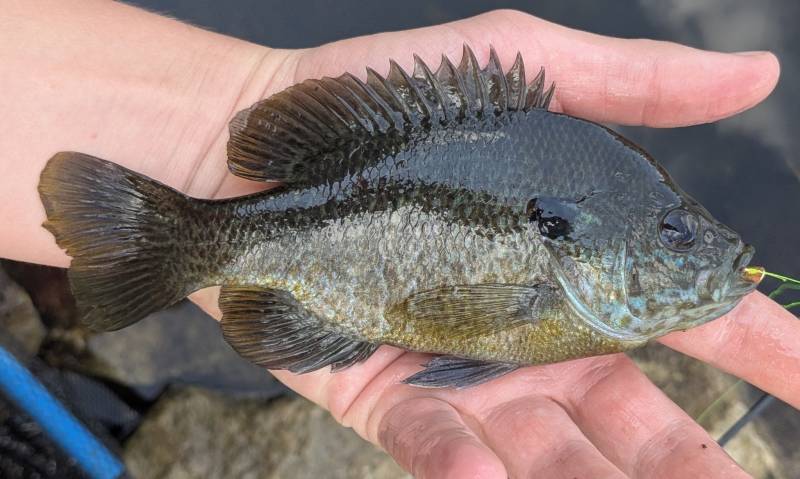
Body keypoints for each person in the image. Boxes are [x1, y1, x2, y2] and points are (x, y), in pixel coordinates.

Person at [0, 1, 795, 478]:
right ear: (589, 237)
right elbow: (472, 315)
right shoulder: (571, 258)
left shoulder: (592, 211)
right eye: (675, 233)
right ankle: (165, 240)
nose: (701, 249)